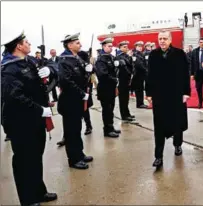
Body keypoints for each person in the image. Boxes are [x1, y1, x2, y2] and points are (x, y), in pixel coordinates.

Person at [1, 30, 57, 206]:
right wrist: (39, 110)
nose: (29, 44)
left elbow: (55, 67)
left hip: (36, 120)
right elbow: (14, 96)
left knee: (35, 157)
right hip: (21, 123)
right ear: (18, 46)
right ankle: (28, 199)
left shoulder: (30, 62)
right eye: (26, 42)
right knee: (24, 160)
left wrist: (50, 71)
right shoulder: (9, 68)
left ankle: (39, 191)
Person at [146, 30, 191, 168]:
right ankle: (158, 156)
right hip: (159, 96)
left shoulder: (179, 54)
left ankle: (177, 145)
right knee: (159, 125)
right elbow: (150, 75)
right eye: (160, 39)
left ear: (170, 40)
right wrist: (148, 93)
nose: (162, 41)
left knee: (177, 122)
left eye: (165, 38)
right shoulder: (153, 55)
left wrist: (186, 92)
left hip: (176, 94)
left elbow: (185, 73)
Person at [57, 33, 93, 170]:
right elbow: (66, 82)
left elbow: (86, 74)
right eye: (77, 43)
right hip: (70, 102)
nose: (80, 45)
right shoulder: (64, 60)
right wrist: (81, 94)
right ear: (69, 45)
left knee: (77, 129)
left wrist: (90, 68)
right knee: (71, 131)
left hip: (77, 101)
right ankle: (73, 159)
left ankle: (79, 153)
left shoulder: (77, 58)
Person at [95, 37, 121, 138]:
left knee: (111, 108)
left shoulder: (110, 57)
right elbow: (102, 74)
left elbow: (114, 70)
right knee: (107, 110)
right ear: (104, 46)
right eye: (109, 46)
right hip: (105, 88)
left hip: (111, 87)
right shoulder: (101, 59)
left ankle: (111, 127)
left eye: (112, 46)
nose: (111, 48)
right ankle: (107, 130)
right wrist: (114, 79)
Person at [115, 40, 136, 122]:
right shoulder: (119, 56)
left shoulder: (126, 55)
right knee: (123, 99)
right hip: (122, 79)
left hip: (127, 79)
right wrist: (129, 57)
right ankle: (124, 115)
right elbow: (125, 67)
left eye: (127, 46)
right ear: (120, 48)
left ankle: (127, 113)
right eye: (124, 47)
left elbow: (131, 66)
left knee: (126, 98)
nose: (126, 48)